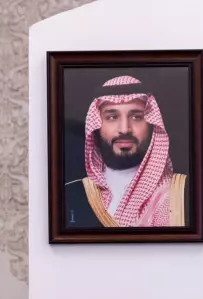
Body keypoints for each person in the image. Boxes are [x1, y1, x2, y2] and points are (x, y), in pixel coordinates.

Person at [64, 74, 189, 229]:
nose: (124, 129)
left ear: (152, 125)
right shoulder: (71, 195)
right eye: (112, 117)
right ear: (96, 126)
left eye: (136, 117)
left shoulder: (182, 193)